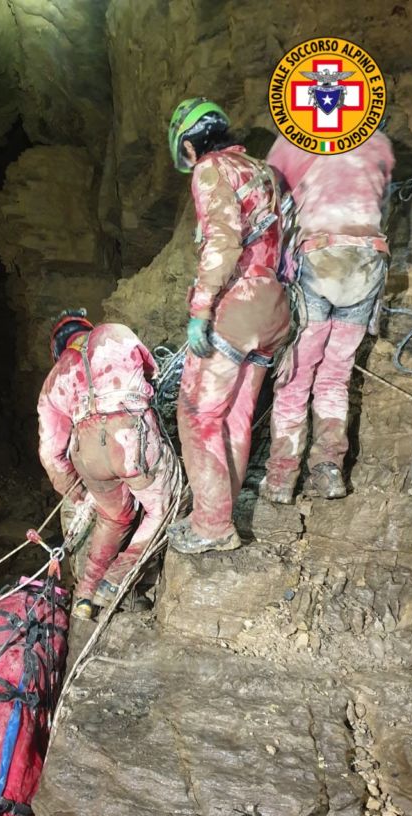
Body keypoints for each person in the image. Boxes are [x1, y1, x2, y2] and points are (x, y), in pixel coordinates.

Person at [166, 98, 290, 554]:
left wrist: (201, 310)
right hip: (273, 306)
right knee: (236, 418)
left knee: (197, 415)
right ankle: (220, 514)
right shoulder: (262, 171)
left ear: (189, 145)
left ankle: (212, 526)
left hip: (238, 305)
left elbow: (223, 241)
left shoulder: (211, 169)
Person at [259, 130, 394, 502]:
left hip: (319, 259)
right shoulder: (378, 141)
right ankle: (328, 471)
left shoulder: (294, 139)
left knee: (296, 374)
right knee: (336, 375)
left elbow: (272, 204)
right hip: (367, 262)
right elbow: (381, 201)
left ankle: (281, 478)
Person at [37, 310, 176, 618]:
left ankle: (85, 596)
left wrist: (79, 496)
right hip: (131, 436)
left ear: (58, 350)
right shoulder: (115, 333)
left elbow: (50, 454)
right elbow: (151, 370)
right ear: (87, 329)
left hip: (88, 453)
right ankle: (116, 580)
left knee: (113, 517)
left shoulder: (53, 380)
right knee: (161, 508)